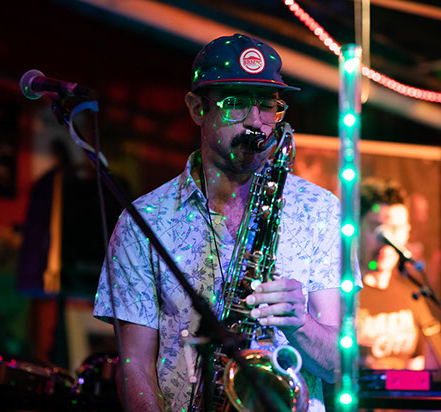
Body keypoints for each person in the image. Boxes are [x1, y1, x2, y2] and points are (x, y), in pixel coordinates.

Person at [94, 33, 356, 412]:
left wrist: (300, 323)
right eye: (236, 103)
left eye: (268, 106)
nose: (256, 123)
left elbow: (338, 367)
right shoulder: (142, 220)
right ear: (197, 109)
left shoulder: (320, 209)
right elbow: (134, 368)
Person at [356, 177, 441, 375]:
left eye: (396, 229)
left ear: (407, 232)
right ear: (357, 229)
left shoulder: (412, 295)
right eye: (376, 227)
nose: (386, 239)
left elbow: (416, 370)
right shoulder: (340, 293)